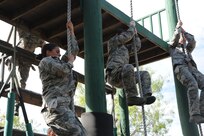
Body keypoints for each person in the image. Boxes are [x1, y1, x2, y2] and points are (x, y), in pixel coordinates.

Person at [38, 21, 87, 136]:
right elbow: (63, 70)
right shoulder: (46, 61)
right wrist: (70, 62)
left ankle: (54, 131)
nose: (59, 55)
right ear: (48, 52)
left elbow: (73, 50)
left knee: (82, 133)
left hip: (64, 108)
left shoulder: (60, 62)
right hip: (55, 108)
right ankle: (54, 130)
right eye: (57, 52)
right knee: (76, 132)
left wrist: (71, 31)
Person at [105, 20, 156, 106]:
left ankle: (146, 96)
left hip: (123, 76)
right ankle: (131, 98)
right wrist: (132, 27)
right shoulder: (113, 41)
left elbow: (136, 47)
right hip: (113, 75)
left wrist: (136, 35)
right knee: (129, 67)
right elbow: (126, 37)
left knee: (144, 74)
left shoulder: (125, 48)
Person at [169, 20, 204, 124]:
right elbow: (174, 39)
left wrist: (184, 32)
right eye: (182, 37)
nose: (183, 39)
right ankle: (194, 114)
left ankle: (202, 111)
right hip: (181, 68)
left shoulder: (187, 49)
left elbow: (192, 41)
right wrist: (178, 29)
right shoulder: (173, 47)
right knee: (192, 84)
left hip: (192, 68)